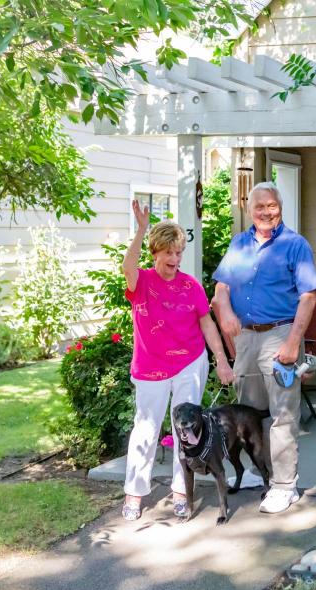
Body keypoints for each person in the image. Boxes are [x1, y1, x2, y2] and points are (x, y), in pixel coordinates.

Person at [121, 200, 234, 521]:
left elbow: (207, 324)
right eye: (168, 252)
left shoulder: (190, 286)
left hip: (190, 362)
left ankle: (181, 490)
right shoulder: (140, 282)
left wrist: (222, 362)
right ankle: (134, 492)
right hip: (149, 367)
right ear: (155, 253)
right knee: (146, 427)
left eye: (178, 253)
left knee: (186, 429)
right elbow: (127, 268)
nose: (174, 259)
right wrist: (141, 230)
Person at [212, 182, 316, 514]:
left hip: (280, 335)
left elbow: (309, 297)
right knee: (247, 412)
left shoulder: (295, 245)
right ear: (249, 208)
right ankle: (259, 474)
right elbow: (221, 288)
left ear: (280, 207)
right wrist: (227, 313)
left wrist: (292, 343)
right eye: (260, 206)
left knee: (282, 413)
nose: (265, 212)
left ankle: (284, 485)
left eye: (271, 205)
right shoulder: (239, 244)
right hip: (246, 336)